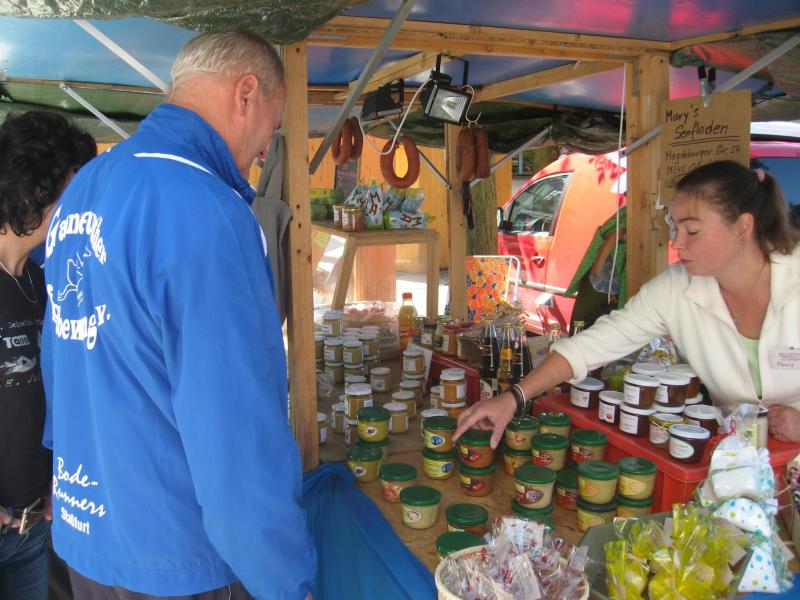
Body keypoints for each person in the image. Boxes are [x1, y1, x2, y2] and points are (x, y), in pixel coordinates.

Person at [41, 30, 316, 599]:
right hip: (179, 558)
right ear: (245, 93)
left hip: (85, 538)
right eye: (272, 126)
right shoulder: (209, 210)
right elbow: (237, 435)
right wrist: (287, 581)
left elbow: (59, 359)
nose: (265, 149)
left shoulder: (87, 187)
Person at [456, 160, 800, 446]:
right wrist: (513, 398)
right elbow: (593, 345)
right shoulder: (676, 289)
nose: (677, 243)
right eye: (674, 228)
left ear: (743, 227)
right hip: (739, 463)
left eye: (692, 230)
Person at [0, 111, 95, 600]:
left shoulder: (43, 280)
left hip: (32, 527)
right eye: (70, 193)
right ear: (35, 191)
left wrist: (58, 482)